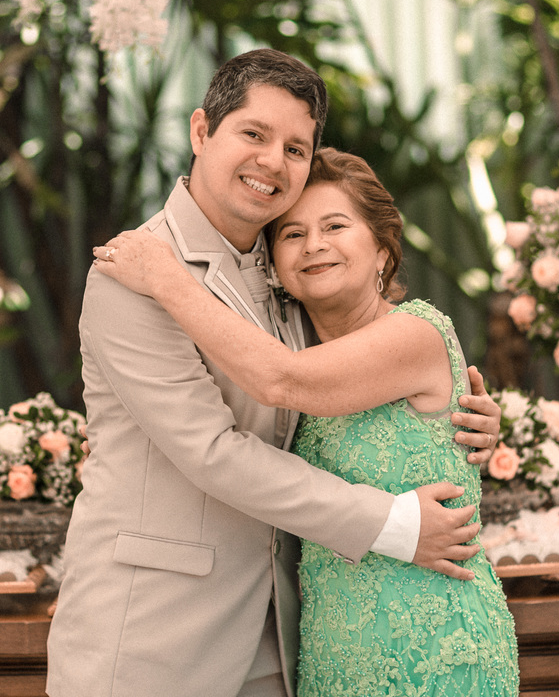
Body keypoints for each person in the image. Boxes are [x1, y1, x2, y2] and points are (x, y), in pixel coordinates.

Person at [46, 49, 502, 697]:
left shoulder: (290, 263)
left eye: (295, 148)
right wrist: (393, 523)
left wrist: (463, 416)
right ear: (203, 131)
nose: (272, 162)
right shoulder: (134, 273)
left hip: (287, 641)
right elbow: (211, 452)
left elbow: (363, 371)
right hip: (155, 638)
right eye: (253, 134)